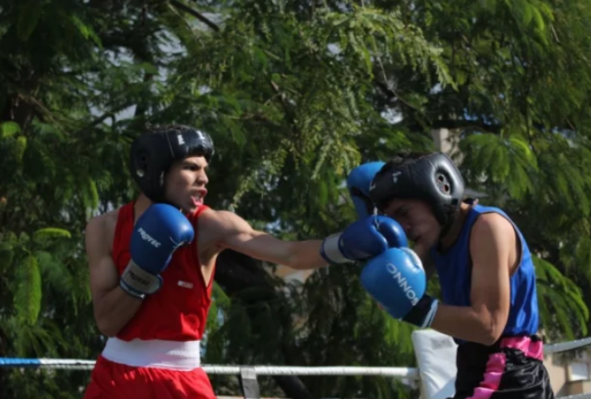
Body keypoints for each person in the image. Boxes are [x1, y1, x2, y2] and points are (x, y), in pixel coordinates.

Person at [82, 124, 405, 399]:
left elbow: (288, 253)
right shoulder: (104, 229)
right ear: (156, 170)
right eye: (191, 167)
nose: (204, 178)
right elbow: (108, 323)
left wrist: (344, 245)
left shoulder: (210, 226)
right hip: (115, 377)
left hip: (180, 380)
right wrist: (141, 271)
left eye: (205, 169)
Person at [349, 152, 555, 399]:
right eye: (393, 219)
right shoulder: (436, 237)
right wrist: (381, 250)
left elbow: (487, 326)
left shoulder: (488, 227)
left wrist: (413, 308)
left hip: (509, 372)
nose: (403, 227)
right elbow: (393, 292)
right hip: (476, 369)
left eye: (404, 212)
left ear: (439, 189)